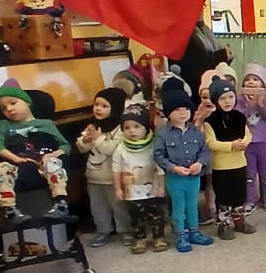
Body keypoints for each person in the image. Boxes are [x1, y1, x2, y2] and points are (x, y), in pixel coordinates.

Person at [0, 81, 69, 223]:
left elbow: (65, 145)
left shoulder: (46, 124)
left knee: (53, 163)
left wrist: (54, 154)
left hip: (43, 162)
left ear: (27, 102)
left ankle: (60, 204)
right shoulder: (3, 125)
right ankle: (9, 210)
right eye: (3, 108)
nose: (9, 109)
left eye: (13, 103)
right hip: (17, 164)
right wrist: (14, 158)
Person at [153, 82, 214, 253]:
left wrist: (199, 163)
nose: (182, 113)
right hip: (175, 177)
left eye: (186, 109)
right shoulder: (162, 133)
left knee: (192, 205)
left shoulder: (195, 131)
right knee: (179, 207)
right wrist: (173, 168)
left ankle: (194, 232)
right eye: (177, 110)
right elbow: (158, 155)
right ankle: (180, 235)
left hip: (193, 176)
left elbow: (204, 151)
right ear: (168, 112)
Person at [75, 87, 128, 247]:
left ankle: (125, 231)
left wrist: (98, 139)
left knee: (119, 207)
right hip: (94, 176)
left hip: (113, 178)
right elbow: (81, 147)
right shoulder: (92, 125)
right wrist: (85, 140)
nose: (98, 108)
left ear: (116, 107)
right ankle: (103, 231)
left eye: (104, 106)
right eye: (96, 104)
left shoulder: (121, 128)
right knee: (98, 208)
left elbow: (113, 149)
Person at [204, 76, 255, 239]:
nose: (227, 101)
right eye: (223, 98)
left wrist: (244, 143)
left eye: (231, 97)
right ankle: (223, 224)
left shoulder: (239, 117)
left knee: (239, 194)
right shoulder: (211, 121)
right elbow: (211, 143)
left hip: (240, 163)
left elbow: (248, 134)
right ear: (215, 100)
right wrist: (231, 146)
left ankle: (239, 221)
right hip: (222, 166)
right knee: (224, 197)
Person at [112, 105, 168, 254]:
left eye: (136, 126)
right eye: (127, 127)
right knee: (136, 216)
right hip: (132, 192)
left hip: (153, 189)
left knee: (157, 214)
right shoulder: (120, 148)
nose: (132, 131)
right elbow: (116, 170)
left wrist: (162, 187)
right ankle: (140, 238)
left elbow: (160, 167)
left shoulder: (153, 145)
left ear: (145, 127)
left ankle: (158, 237)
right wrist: (118, 189)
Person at [235, 63, 266, 212]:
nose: (251, 82)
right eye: (248, 79)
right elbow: (238, 118)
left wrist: (261, 104)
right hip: (247, 142)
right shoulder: (239, 99)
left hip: (264, 140)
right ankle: (250, 199)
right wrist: (249, 105)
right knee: (249, 173)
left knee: (265, 172)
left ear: (263, 84)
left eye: (255, 79)